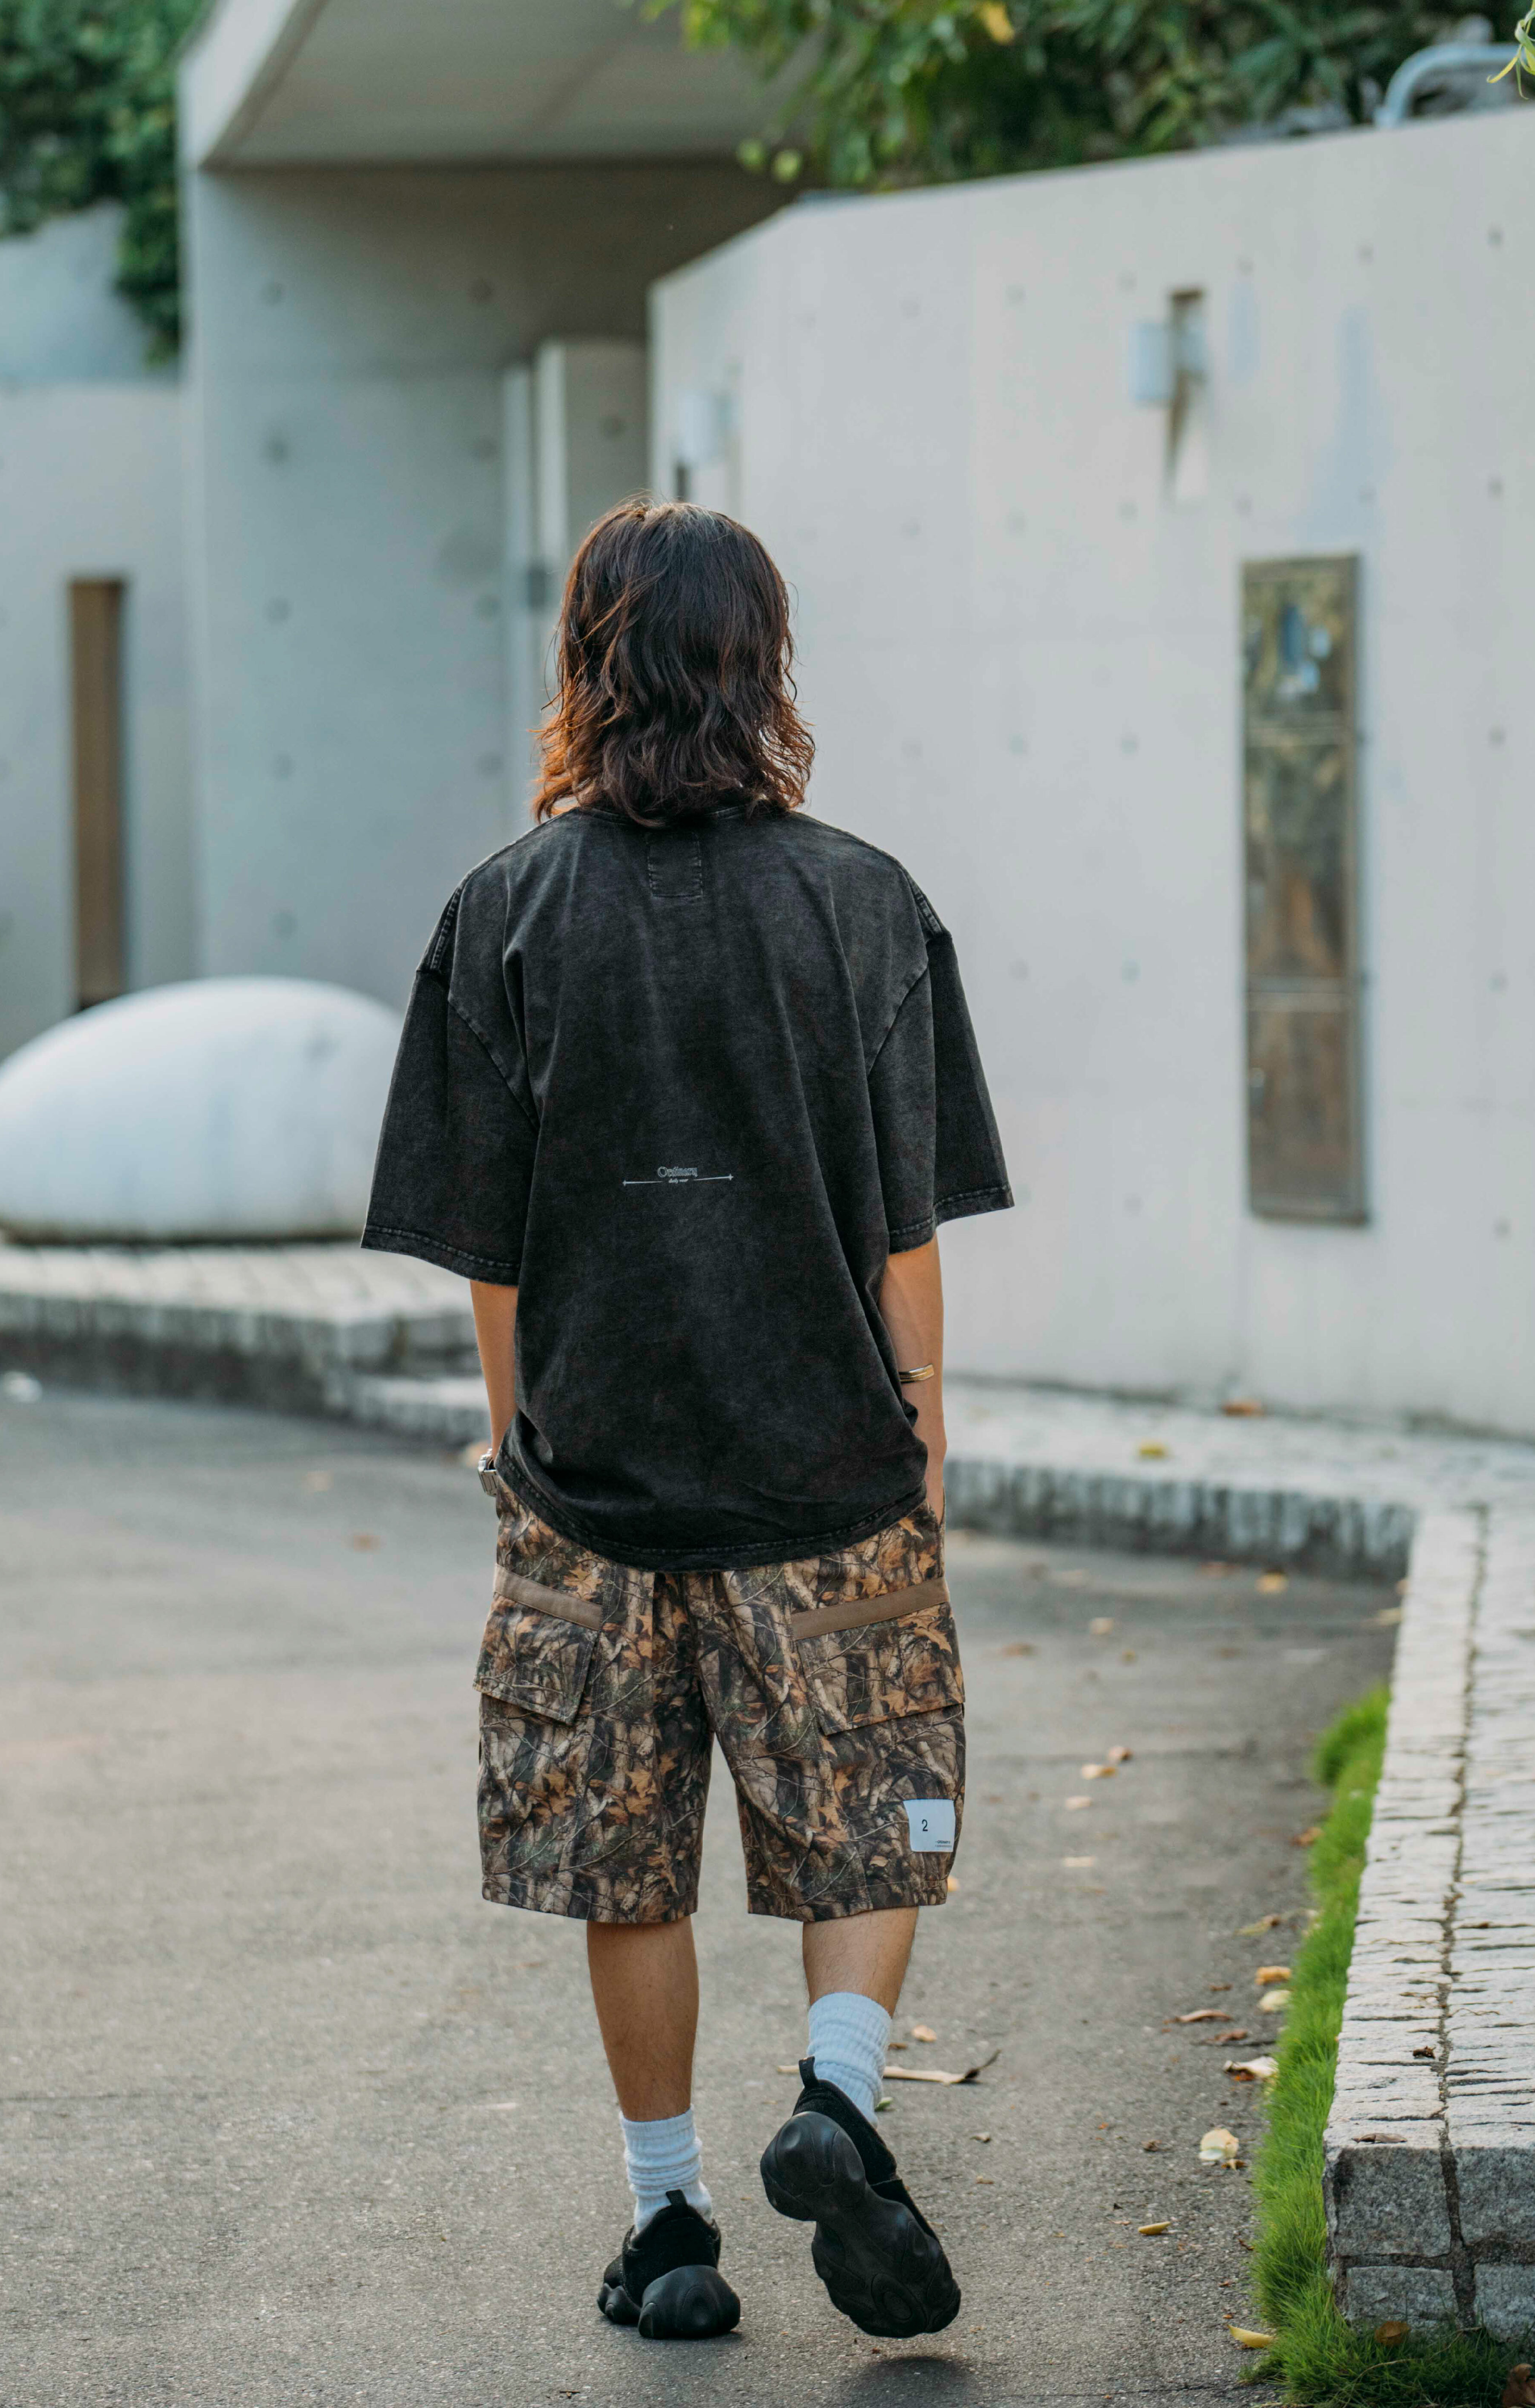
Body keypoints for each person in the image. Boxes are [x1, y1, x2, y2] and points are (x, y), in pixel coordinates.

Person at [363, 499, 1012, 2344]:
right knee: (874, 1814)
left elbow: (487, 1249)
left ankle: (669, 2231)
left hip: (593, 1489)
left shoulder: (501, 911)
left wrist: (523, 1449)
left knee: (620, 1858)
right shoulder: (867, 904)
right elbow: (902, 1228)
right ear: (762, 662)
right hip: (830, 1469)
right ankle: (838, 2104)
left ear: (589, 659)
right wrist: (924, 1430)